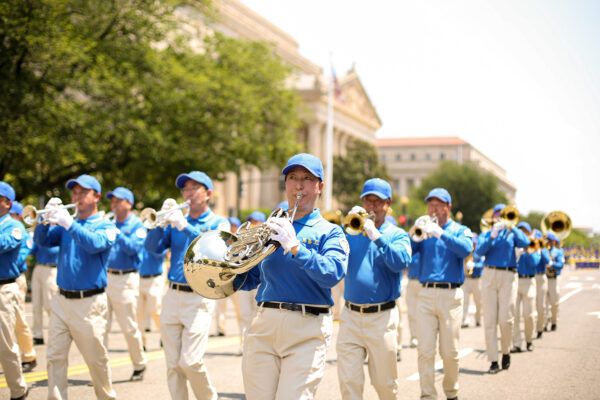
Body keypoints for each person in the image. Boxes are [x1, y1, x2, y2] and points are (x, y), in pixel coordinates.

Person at [238, 153, 348, 399]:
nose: (299, 185)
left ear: (319, 186)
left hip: (307, 327)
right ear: (286, 184)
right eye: (292, 178)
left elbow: (332, 274)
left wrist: (297, 248)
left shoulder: (330, 231)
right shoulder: (270, 227)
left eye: (307, 179)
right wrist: (229, 269)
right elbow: (253, 278)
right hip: (265, 323)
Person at [144, 171, 230, 400]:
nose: (188, 194)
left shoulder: (218, 222)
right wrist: (160, 224)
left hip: (199, 297)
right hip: (173, 294)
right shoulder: (175, 223)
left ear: (208, 193)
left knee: (190, 361)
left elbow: (214, 248)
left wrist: (184, 226)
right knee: (172, 364)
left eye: (194, 188)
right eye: (185, 189)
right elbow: (152, 248)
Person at [34, 174, 118, 399]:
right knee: (54, 357)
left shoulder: (105, 225)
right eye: (74, 192)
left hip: (89, 303)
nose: (76, 196)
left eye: (83, 192)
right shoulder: (66, 225)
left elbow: (95, 244)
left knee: (95, 360)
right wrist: (43, 219)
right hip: (61, 300)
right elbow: (42, 241)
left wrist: (69, 224)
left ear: (96, 196)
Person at [336, 178, 411, 400]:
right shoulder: (350, 230)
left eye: (377, 201)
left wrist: (377, 237)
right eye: (368, 200)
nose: (372, 206)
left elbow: (401, 262)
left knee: (385, 384)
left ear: (388, 204)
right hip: (350, 315)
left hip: (382, 317)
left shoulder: (397, 234)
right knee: (349, 381)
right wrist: (345, 226)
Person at [411, 188, 473, 400]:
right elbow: (409, 252)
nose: (433, 209)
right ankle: (428, 395)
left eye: (438, 205)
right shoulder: (425, 229)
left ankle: (451, 392)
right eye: (431, 205)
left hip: (450, 295)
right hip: (426, 293)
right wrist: (415, 233)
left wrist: (441, 233)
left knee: (450, 352)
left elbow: (465, 249)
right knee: (425, 351)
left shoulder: (460, 229)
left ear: (448, 207)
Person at [475, 203, 530, 374]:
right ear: (493, 217)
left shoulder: (512, 234)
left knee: (506, 319)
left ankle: (506, 351)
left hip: (508, 275)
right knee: (490, 320)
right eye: (498, 215)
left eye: (503, 215)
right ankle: (493, 360)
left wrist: (513, 227)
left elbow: (525, 242)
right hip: (489, 274)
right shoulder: (487, 233)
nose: (500, 218)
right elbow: (479, 251)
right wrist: (492, 235)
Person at [104, 187, 147, 380]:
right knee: (101, 327)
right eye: (112, 200)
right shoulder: (108, 222)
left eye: (118, 200)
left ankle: (139, 364)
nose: (114, 204)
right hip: (106, 277)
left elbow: (132, 248)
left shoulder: (138, 225)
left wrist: (117, 233)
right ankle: (102, 372)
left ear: (129, 203)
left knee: (128, 326)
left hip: (126, 278)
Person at [0, 181, 29, 399]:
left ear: (7, 203)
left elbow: (3, 244)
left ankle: (18, 390)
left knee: (5, 343)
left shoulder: (14, 226)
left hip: (4, 288)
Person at [511, 222, 540, 353]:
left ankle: (529, 340)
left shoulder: (534, 245)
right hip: (515, 280)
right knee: (515, 315)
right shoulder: (514, 245)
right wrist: (518, 253)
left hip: (529, 282)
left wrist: (528, 251)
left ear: (529, 233)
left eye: (525, 231)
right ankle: (516, 343)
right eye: (520, 231)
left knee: (529, 315)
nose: (522, 233)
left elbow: (535, 262)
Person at [137, 246, 168, 351]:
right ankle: (141, 342)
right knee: (139, 313)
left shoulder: (157, 241)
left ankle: (164, 336)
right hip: (138, 278)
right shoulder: (140, 238)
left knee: (156, 311)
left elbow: (160, 253)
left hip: (154, 278)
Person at [30, 239, 59, 345]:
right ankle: (38, 335)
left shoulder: (56, 233)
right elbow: (32, 251)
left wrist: (44, 241)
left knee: (49, 304)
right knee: (36, 304)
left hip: (51, 269)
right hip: (38, 267)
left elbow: (53, 251)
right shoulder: (40, 235)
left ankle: (56, 333)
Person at [462, 234, 484, 328]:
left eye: (474, 243)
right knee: (464, 301)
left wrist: (475, 265)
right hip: (466, 279)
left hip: (476, 279)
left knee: (478, 301)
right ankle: (465, 320)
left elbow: (483, 265)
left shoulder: (478, 253)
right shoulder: (464, 252)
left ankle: (478, 319)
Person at [545, 232, 565, 332]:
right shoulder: (542, 250)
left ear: (554, 241)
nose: (549, 242)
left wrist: (552, 264)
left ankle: (554, 321)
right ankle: (544, 323)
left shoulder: (558, 251)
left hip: (554, 279)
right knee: (543, 304)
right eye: (547, 240)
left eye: (550, 240)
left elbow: (561, 265)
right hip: (544, 278)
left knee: (554, 303)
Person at [534, 229, 551, 339]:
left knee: (541, 305)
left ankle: (540, 327)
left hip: (540, 277)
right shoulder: (528, 248)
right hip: (530, 277)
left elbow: (548, 262)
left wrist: (540, 250)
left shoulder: (543, 250)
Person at [405, 252, 421, 349]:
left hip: (424, 282)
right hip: (411, 281)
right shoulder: (412, 248)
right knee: (412, 312)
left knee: (424, 313)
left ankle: (423, 337)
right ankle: (414, 337)